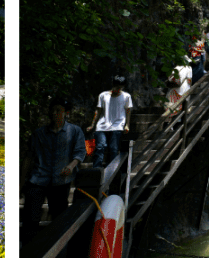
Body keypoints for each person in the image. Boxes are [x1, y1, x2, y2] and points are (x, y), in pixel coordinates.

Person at [22, 97, 86, 242]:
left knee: (59, 218)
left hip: (60, 181)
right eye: (52, 110)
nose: (54, 113)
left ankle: (56, 253)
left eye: (58, 110)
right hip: (37, 180)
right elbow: (28, 158)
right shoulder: (39, 133)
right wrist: (20, 184)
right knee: (30, 219)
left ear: (66, 113)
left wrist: (71, 166)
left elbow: (80, 151)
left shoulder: (75, 131)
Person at [88, 76, 134, 166]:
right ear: (113, 85)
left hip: (117, 125)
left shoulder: (126, 96)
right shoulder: (103, 95)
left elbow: (128, 111)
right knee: (100, 147)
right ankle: (96, 169)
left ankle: (111, 170)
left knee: (114, 148)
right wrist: (92, 124)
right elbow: (98, 110)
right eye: (117, 87)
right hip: (102, 125)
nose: (119, 89)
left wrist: (127, 125)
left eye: (121, 87)